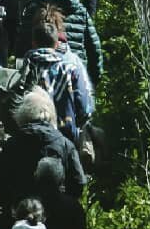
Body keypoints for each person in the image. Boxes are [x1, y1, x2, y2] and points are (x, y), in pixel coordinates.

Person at [0, 88, 87, 229]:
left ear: (22, 114)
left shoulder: (12, 145)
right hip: (60, 221)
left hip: (19, 222)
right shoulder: (65, 143)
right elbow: (78, 184)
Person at [12, 8, 94, 143]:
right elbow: (85, 108)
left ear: (33, 42)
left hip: (29, 138)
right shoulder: (72, 65)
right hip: (66, 137)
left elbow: (12, 102)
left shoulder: (24, 67)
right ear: (57, 42)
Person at [14, 0, 104, 85]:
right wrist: (91, 81)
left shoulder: (32, 10)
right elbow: (94, 49)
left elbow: (20, 48)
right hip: (73, 77)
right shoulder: (79, 10)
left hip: (37, 77)